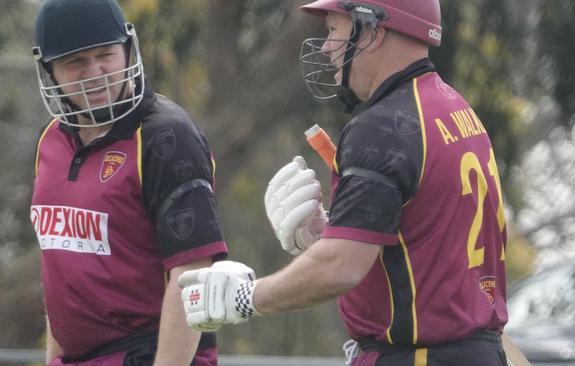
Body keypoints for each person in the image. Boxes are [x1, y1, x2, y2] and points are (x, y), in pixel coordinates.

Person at [179, 1, 509, 365]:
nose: (325, 46)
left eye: (335, 29)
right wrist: (331, 234)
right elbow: (428, 252)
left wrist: (245, 298)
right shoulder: (454, 108)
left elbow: (340, 267)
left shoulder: (382, 128)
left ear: (373, 31)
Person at [29, 0, 228, 364]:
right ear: (50, 70)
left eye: (105, 54)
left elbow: (192, 273)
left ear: (127, 49)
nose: (95, 72)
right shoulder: (51, 139)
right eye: (76, 62)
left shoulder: (167, 136)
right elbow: (60, 267)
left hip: (147, 354)